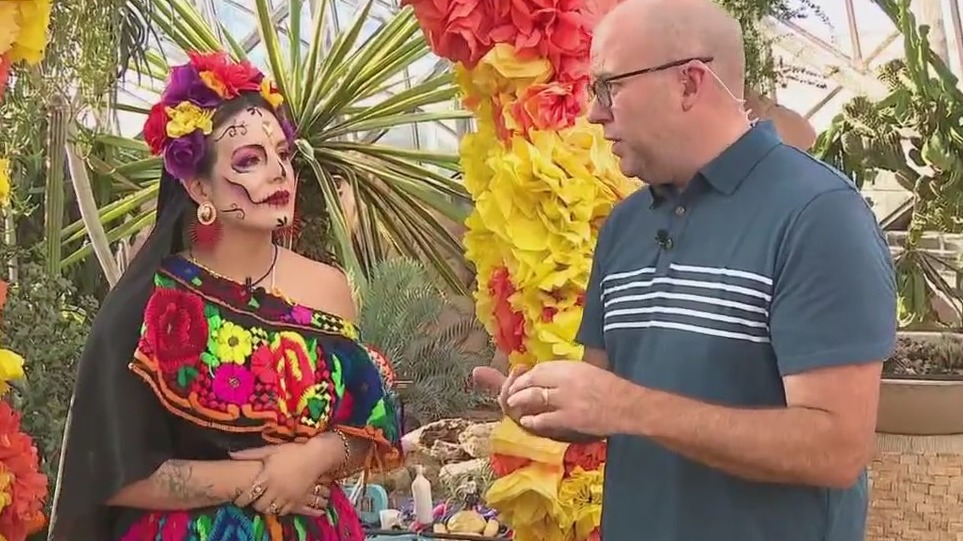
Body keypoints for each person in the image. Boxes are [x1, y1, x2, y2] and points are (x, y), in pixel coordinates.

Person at [474, 1, 896, 540]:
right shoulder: (625, 225)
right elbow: (610, 396)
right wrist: (548, 403)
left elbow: (837, 448)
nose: (593, 114)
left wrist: (629, 408)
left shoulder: (817, 215)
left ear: (690, 83)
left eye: (609, 88)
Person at [49, 51, 402, 541]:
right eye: (249, 160)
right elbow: (112, 471)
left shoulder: (329, 287)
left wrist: (313, 458)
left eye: (283, 154)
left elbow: (366, 423)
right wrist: (262, 480)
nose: (280, 171)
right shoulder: (155, 301)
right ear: (199, 187)